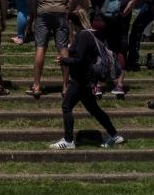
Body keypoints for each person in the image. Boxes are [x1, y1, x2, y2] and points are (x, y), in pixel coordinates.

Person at [49, 12, 125, 150]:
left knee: (66, 106)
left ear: (71, 22)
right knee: (93, 109)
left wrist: (64, 60)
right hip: (86, 78)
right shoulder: (87, 34)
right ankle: (114, 135)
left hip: (81, 79)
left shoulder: (83, 35)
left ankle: (68, 140)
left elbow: (80, 60)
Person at [81, 0, 138, 98]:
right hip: (116, 20)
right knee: (118, 51)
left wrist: (88, 9)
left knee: (96, 51)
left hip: (99, 20)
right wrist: (125, 12)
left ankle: (98, 85)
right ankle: (119, 85)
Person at [27, 0, 77, 98]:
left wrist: (34, 12)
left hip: (43, 11)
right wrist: (69, 11)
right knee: (63, 48)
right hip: (61, 11)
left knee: (40, 47)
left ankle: (36, 85)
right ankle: (65, 85)